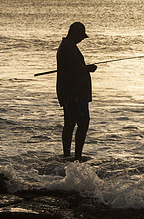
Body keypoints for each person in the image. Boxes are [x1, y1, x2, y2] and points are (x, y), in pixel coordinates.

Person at [56, 22, 97, 161]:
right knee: (82, 123)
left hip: (70, 92)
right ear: (75, 32)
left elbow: (71, 68)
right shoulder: (68, 47)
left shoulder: (67, 46)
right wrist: (89, 68)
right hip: (75, 93)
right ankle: (77, 156)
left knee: (70, 123)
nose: (81, 39)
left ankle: (67, 155)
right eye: (81, 36)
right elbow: (75, 69)